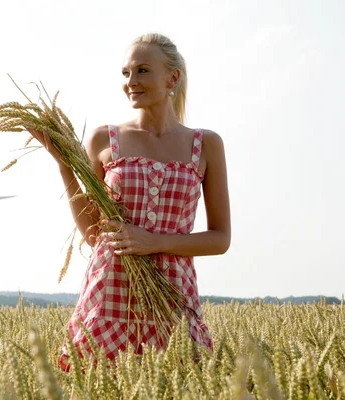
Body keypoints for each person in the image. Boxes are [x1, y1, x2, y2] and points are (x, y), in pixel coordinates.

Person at [28, 33, 231, 370]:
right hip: (111, 291)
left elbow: (221, 238)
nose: (131, 82)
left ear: (173, 78)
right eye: (126, 73)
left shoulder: (206, 144)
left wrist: (156, 243)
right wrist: (64, 164)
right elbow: (95, 235)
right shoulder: (103, 139)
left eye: (142, 71)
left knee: (188, 385)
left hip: (173, 294)